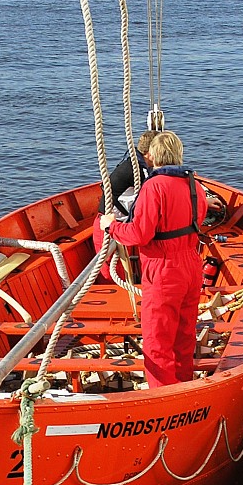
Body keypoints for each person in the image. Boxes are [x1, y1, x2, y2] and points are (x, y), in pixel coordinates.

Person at [99, 130, 208, 388]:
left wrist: (110, 226)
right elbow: (200, 219)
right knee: (184, 337)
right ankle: (183, 388)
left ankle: (164, 397)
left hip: (163, 269)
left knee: (158, 342)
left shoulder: (153, 188)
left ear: (153, 157)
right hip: (191, 265)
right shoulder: (195, 186)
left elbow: (139, 233)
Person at [92, 130, 158, 281]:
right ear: (150, 153)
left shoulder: (141, 167)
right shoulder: (136, 171)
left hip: (121, 226)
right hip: (107, 226)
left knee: (121, 273)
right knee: (110, 276)